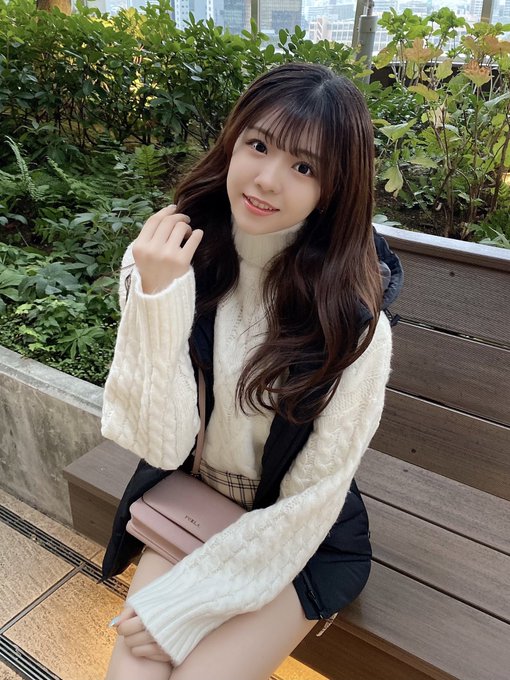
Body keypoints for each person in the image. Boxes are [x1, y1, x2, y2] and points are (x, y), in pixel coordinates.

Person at [100, 62, 403, 680]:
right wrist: (158, 298)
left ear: (333, 188)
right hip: (195, 499)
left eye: (304, 167)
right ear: (233, 142)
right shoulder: (171, 259)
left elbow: (312, 500)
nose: (267, 179)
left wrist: (188, 604)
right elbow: (161, 445)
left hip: (298, 535)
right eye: (259, 145)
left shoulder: (351, 320)